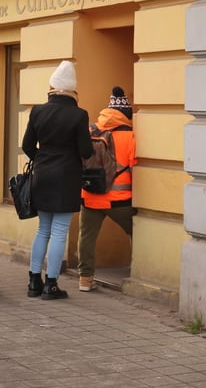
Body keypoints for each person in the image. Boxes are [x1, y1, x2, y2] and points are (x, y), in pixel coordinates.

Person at [22, 60, 94, 300]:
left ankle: (34, 281)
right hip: (67, 178)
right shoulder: (79, 115)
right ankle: (50, 285)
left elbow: (27, 146)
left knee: (43, 229)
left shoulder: (37, 111)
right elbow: (85, 151)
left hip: (42, 175)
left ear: (52, 86)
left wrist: (43, 159)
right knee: (60, 230)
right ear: (72, 89)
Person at [77, 86, 137, 292]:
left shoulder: (90, 130)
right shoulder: (129, 136)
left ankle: (85, 280)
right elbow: (134, 165)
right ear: (126, 114)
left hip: (90, 195)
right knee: (137, 233)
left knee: (86, 237)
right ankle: (137, 272)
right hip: (119, 200)